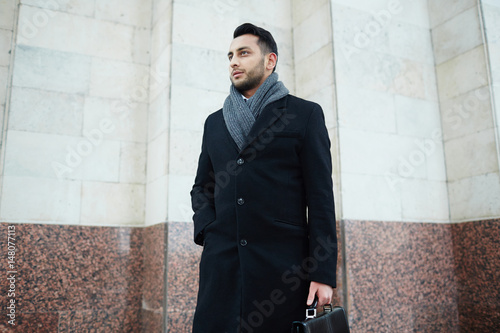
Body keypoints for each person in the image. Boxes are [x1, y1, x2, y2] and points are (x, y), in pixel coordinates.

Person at [190, 23, 338, 333]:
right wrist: (209, 229)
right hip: (222, 270)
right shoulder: (214, 123)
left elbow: (321, 197)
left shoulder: (305, 114)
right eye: (230, 55)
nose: (234, 61)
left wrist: (322, 272)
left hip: (283, 273)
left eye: (244, 53)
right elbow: (202, 186)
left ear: (270, 61)